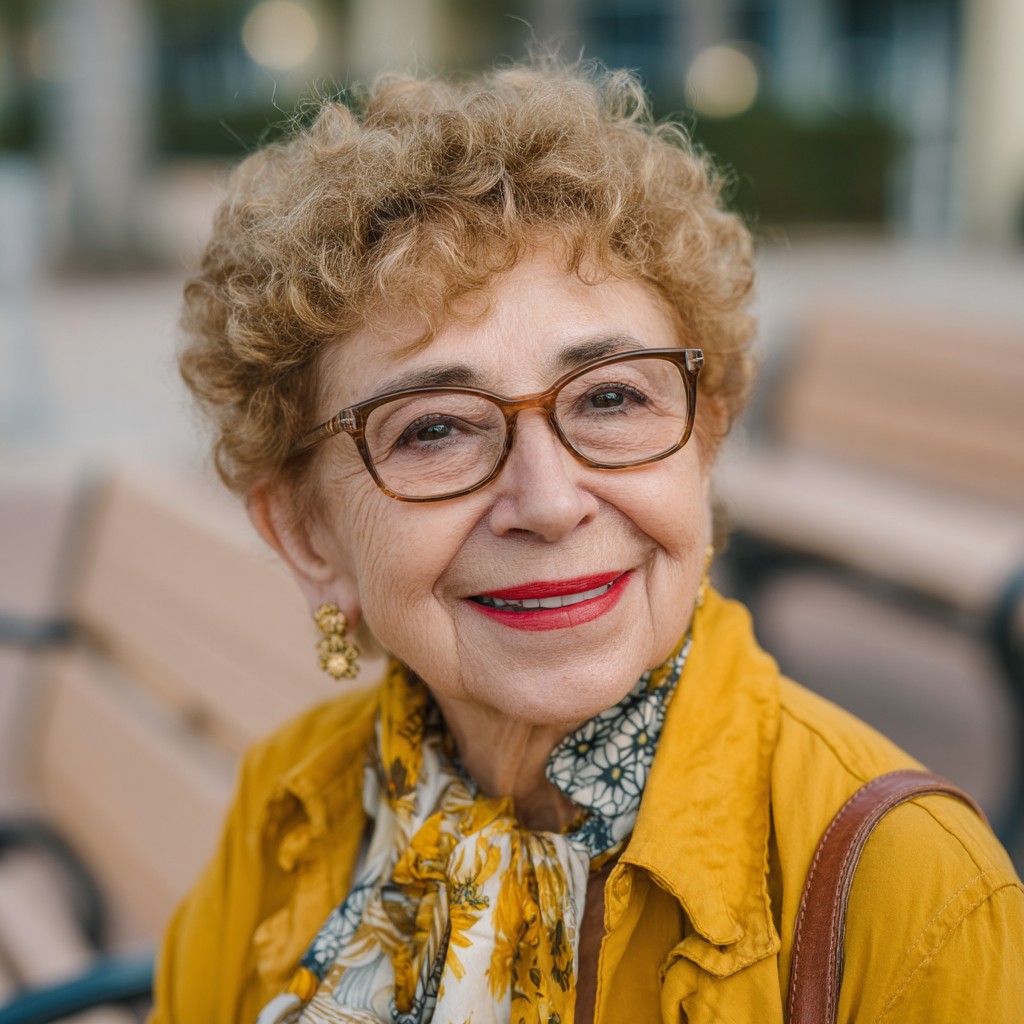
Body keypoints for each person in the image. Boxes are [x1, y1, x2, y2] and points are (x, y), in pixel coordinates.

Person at [151, 62, 1023, 1023]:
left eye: (611, 398)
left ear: (706, 436)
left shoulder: (911, 887)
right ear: (308, 534)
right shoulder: (294, 798)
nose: (549, 501)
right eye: (434, 427)